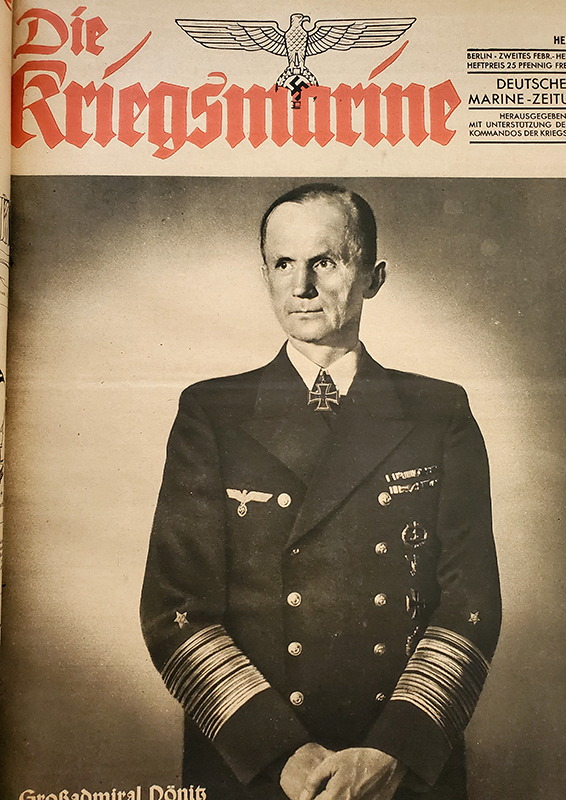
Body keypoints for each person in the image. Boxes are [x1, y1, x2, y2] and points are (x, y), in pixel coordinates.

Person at [140, 184, 502, 800]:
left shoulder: (439, 411)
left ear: (373, 278)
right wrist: (285, 755)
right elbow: (176, 610)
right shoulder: (211, 412)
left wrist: (392, 751)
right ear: (266, 276)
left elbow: (471, 602)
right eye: (283, 263)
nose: (301, 286)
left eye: (325, 261)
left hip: (397, 763)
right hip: (255, 763)